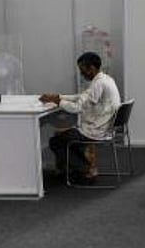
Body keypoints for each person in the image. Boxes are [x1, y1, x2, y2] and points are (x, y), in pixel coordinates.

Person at [40, 52, 121, 185]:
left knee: (55, 141)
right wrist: (59, 97)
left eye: (83, 70)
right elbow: (82, 97)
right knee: (63, 136)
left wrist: (57, 101)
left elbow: (77, 108)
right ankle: (76, 167)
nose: (81, 73)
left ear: (92, 68)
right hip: (103, 127)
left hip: (95, 131)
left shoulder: (98, 84)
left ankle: (87, 169)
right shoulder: (105, 79)